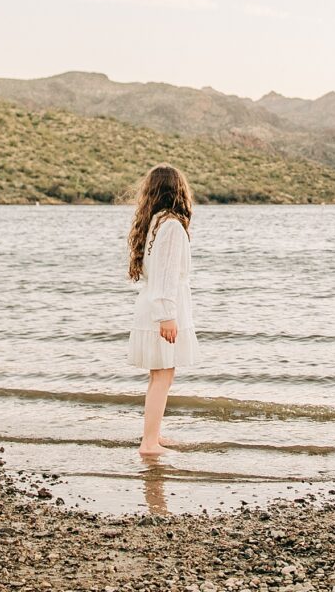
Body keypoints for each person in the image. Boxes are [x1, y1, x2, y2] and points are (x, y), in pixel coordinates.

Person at [127, 163, 200, 455]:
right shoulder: (169, 226)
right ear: (178, 191)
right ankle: (149, 443)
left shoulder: (154, 222)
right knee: (162, 375)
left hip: (153, 305)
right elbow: (167, 276)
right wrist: (167, 316)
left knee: (160, 375)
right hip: (162, 308)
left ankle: (153, 435)